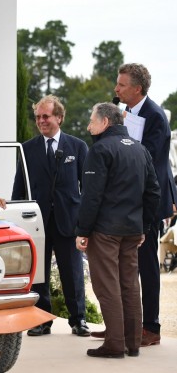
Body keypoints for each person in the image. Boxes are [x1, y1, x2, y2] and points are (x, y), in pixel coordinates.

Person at [92, 63, 177, 346]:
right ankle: (120, 326)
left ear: (137, 89)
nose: (116, 89)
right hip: (123, 200)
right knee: (116, 265)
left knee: (145, 265)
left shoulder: (155, 117)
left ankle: (150, 327)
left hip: (146, 202)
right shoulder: (121, 114)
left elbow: (150, 160)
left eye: (121, 85)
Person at [76, 102, 160, 358]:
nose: (89, 126)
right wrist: (143, 226)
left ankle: (114, 344)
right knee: (130, 285)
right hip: (132, 229)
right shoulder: (140, 149)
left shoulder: (99, 149)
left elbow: (91, 196)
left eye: (92, 121)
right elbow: (153, 192)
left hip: (105, 230)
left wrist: (83, 230)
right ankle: (132, 343)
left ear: (105, 122)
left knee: (107, 287)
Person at [11, 95, 90, 337]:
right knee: (38, 274)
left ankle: (79, 320)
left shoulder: (78, 147)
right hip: (36, 223)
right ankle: (41, 320)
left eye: (46, 116)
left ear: (59, 117)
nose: (41, 121)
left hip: (68, 221)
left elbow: (87, 188)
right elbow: (19, 187)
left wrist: (85, 223)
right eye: (37, 117)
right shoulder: (26, 149)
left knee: (73, 273)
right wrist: (15, 221)